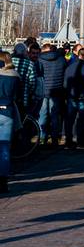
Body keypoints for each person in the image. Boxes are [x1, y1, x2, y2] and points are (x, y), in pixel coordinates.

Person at [35, 44, 67, 146]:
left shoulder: (40, 59)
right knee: (54, 116)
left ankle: (42, 138)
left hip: (44, 91)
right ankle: (54, 139)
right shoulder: (61, 59)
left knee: (43, 115)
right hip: (56, 91)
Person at [64, 47, 84, 149]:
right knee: (81, 120)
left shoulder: (70, 66)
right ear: (82, 55)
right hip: (81, 97)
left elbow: (66, 82)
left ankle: (68, 141)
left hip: (71, 96)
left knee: (70, 120)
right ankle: (80, 142)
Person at [0, 50, 20, 192]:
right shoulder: (15, 76)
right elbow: (19, 95)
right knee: (5, 148)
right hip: (8, 112)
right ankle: (3, 181)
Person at [9, 43, 37, 118]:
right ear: (25, 52)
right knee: (21, 120)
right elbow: (33, 83)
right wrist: (28, 91)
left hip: (9, 98)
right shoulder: (30, 64)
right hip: (23, 98)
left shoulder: (8, 62)